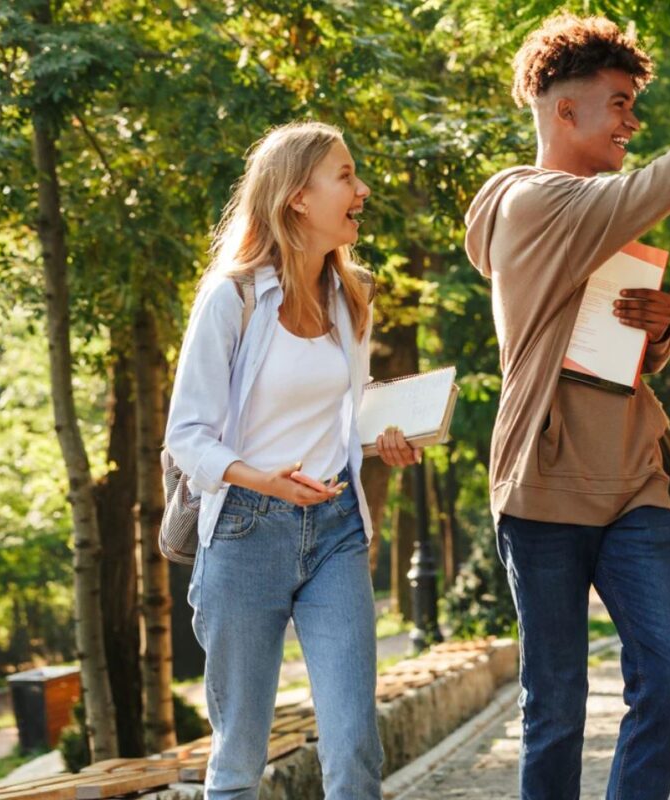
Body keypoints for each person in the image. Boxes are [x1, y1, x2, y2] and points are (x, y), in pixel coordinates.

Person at [459, 3, 670, 797]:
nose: (630, 123)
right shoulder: (535, 203)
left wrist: (657, 333)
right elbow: (663, 181)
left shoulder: (590, 219)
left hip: (633, 477)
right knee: (557, 706)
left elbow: (608, 351)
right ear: (564, 110)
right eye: (618, 105)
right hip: (544, 483)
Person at [165, 122, 420, 799]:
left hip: (334, 525)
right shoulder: (233, 296)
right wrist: (259, 478)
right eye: (346, 176)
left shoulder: (351, 297)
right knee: (241, 756)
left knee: (354, 745)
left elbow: (346, 412)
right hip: (246, 532)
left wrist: (386, 438)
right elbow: (186, 436)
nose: (361, 190)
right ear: (298, 196)